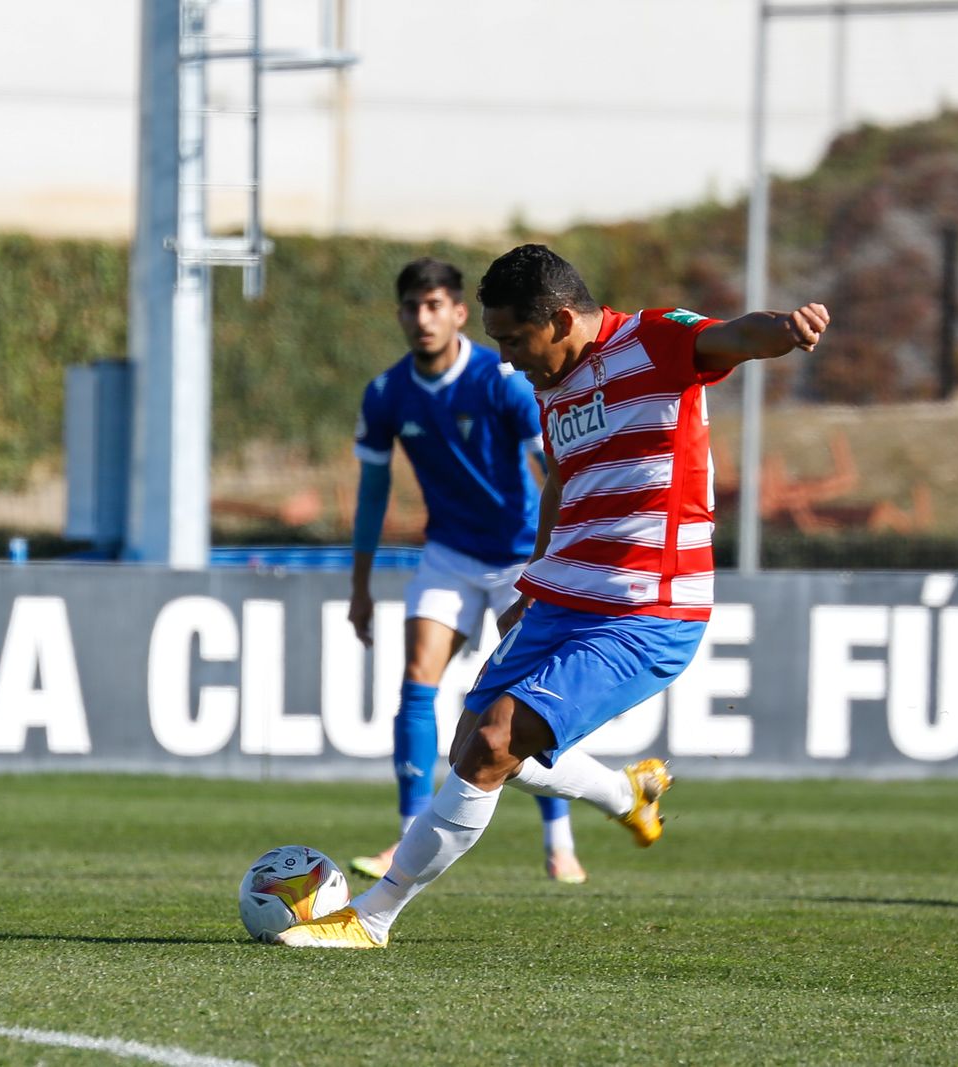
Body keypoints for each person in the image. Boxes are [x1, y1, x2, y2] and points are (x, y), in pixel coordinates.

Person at [280, 244, 829, 948]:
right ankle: (629, 793)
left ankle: (370, 916)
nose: (506, 358)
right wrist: (535, 580)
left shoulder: (657, 339)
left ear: (563, 318)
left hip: (647, 607)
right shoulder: (552, 381)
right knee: (471, 747)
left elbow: (734, 336)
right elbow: (562, 482)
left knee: (494, 745)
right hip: (562, 593)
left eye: (514, 339)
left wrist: (787, 328)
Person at [348, 257, 589, 886]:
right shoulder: (386, 393)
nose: (422, 319)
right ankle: (404, 838)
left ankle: (559, 841)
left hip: (517, 556)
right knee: (416, 680)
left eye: (435, 306)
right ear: (400, 314)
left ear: (459, 313)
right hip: (449, 555)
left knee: (528, 702)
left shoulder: (502, 380)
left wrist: (554, 565)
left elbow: (554, 473)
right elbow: (373, 494)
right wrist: (360, 585)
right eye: (411, 307)